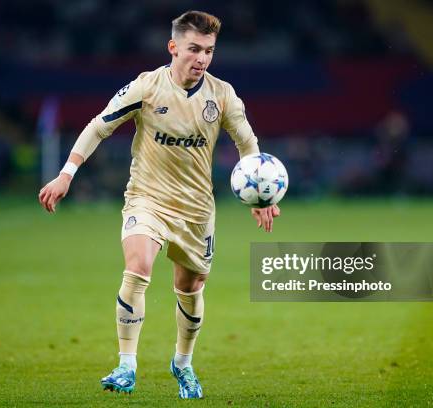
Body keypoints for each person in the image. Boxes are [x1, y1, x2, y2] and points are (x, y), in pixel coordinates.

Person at [38, 10, 280, 399]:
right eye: (194, 49)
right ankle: (126, 365)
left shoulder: (222, 95)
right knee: (138, 266)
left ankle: (182, 363)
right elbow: (99, 125)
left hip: (196, 209)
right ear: (173, 47)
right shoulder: (146, 87)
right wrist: (66, 174)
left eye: (209, 51)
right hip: (147, 197)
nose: (202, 58)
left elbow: (248, 144)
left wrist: (261, 196)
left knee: (190, 286)